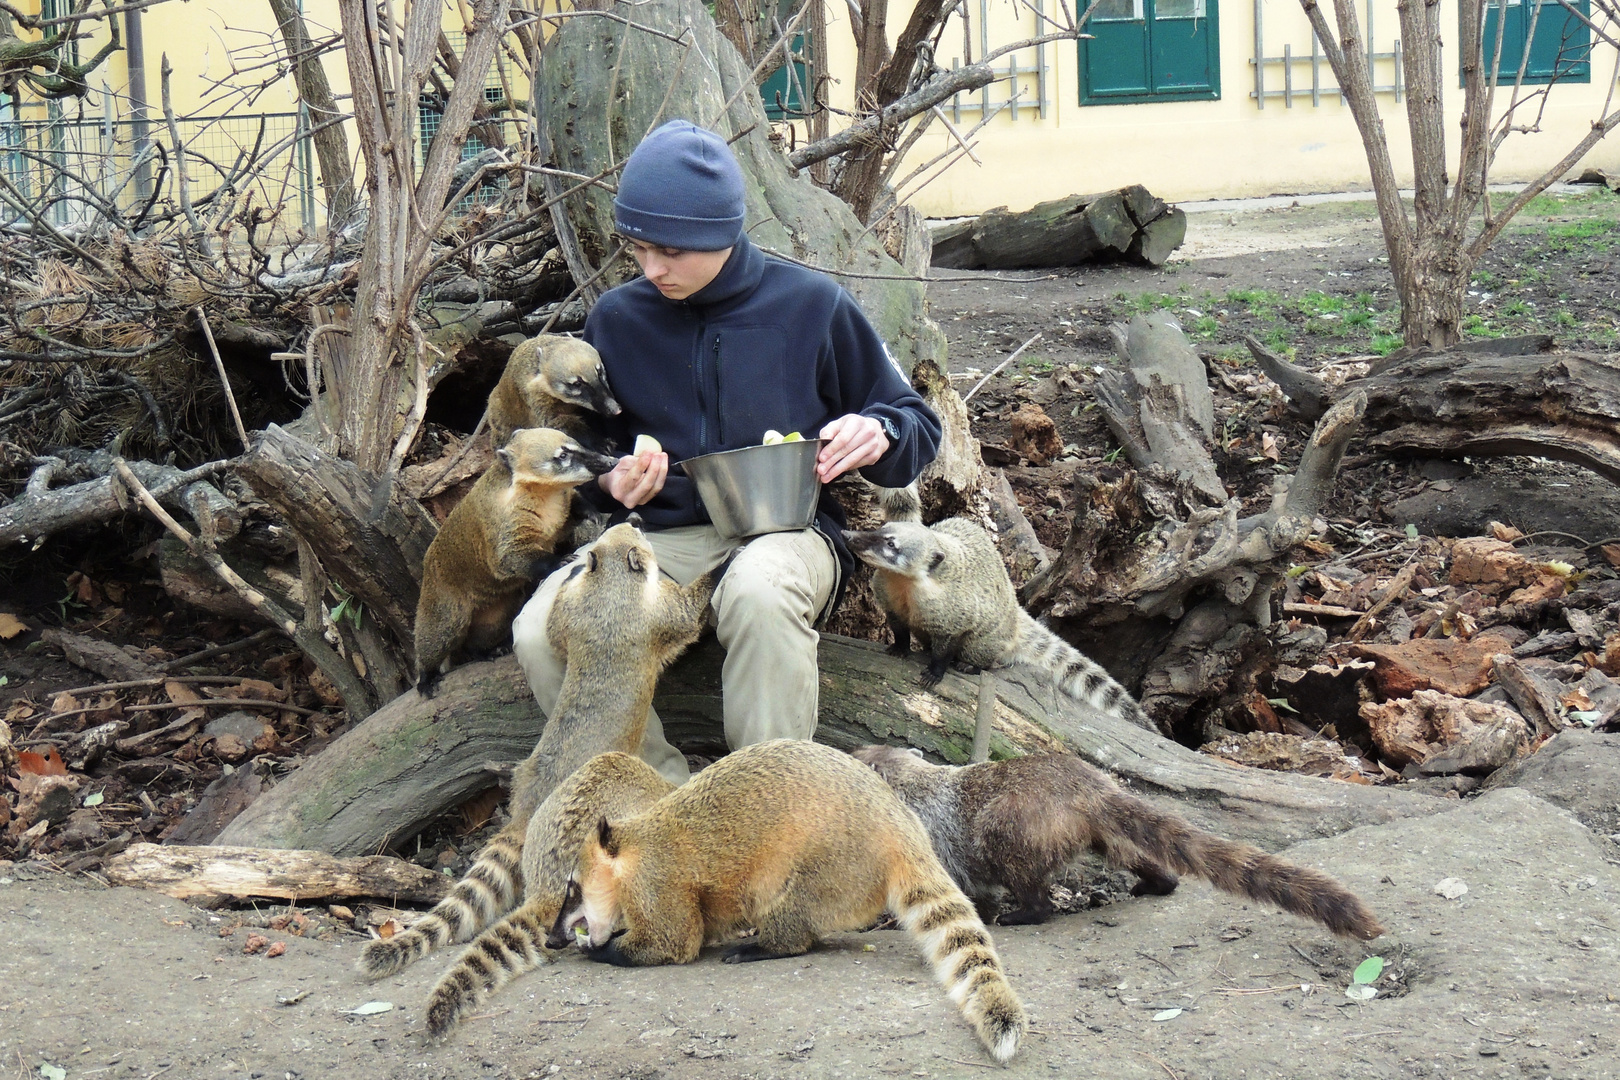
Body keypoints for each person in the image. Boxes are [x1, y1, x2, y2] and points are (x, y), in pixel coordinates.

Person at [511, 119, 941, 784]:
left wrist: (880, 431)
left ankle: (761, 813)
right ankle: (663, 807)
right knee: (540, 631)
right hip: (662, 540)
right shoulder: (618, 321)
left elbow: (916, 424)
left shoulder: (812, 306)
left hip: (789, 534)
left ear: (722, 233)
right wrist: (612, 483)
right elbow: (588, 455)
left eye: (671, 251)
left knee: (760, 590)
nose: (652, 268)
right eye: (638, 248)